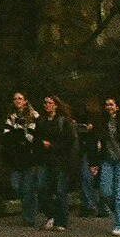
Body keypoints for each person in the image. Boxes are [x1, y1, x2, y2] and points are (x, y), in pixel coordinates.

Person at [89, 94, 120, 235]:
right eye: (107, 105)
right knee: (105, 191)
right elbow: (96, 143)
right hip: (107, 160)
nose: (109, 107)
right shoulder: (102, 123)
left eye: (111, 104)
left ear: (117, 107)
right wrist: (94, 162)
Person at [39, 94, 82, 229]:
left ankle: (62, 220)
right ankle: (51, 214)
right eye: (45, 103)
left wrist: (52, 145)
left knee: (59, 190)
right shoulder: (42, 120)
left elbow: (69, 141)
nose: (47, 105)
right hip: (46, 159)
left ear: (56, 105)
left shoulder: (63, 121)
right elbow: (37, 136)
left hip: (60, 159)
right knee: (42, 187)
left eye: (50, 103)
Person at [3, 90, 43, 227]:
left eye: (20, 98)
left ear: (25, 101)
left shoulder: (33, 115)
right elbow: (7, 135)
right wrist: (18, 134)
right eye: (15, 99)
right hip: (16, 156)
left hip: (29, 156)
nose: (17, 101)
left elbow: (32, 136)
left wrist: (20, 134)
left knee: (28, 188)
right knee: (16, 185)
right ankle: (30, 209)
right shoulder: (11, 116)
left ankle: (29, 217)